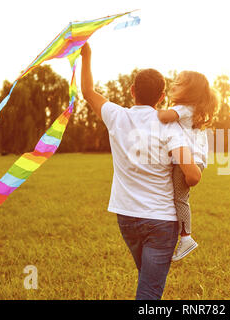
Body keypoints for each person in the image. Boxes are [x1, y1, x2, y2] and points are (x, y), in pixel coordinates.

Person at [80, 43, 202, 300]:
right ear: (161, 97)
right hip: (161, 221)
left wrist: (87, 55)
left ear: (132, 90)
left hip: (126, 218)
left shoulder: (116, 116)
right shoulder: (170, 127)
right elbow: (192, 175)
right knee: (149, 292)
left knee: (147, 283)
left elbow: (88, 91)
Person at [157, 71, 218, 261]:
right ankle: (184, 236)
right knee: (181, 198)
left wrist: (152, 108)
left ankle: (186, 237)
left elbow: (164, 117)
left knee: (180, 199)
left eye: (179, 83)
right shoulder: (196, 111)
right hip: (197, 161)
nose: (173, 86)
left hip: (187, 162)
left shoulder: (184, 109)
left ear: (190, 91)